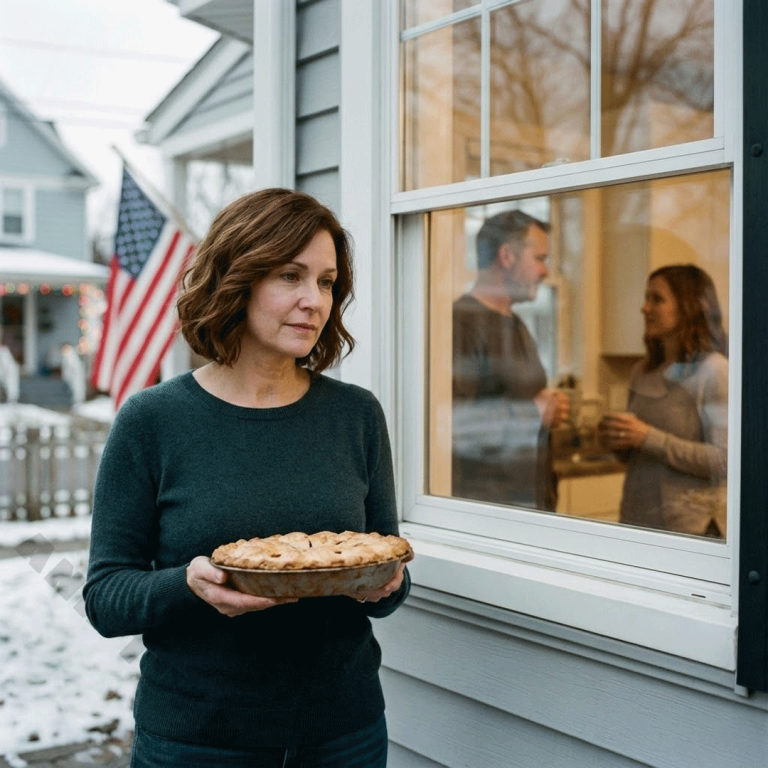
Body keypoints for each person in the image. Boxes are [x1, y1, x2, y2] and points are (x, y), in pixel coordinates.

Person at [83, 188, 410, 767]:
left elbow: (386, 574)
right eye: (291, 275)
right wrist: (189, 585)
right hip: (197, 740)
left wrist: (383, 585)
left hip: (344, 733)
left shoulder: (356, 416)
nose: (315, 300)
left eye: (328, 282)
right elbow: (106, 598)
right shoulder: (152, 421)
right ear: (238, 279)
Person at [452, 209, 569, 511]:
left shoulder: (517, 325)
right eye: (540, 258)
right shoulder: (460, 323)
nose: (545, 271)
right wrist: (533, 412)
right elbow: (451, 422)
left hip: (531, 504)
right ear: (507, 256)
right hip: (489, 510)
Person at [599, 264, 728, 537]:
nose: (645, 308)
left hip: (692, 530)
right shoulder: (641, 371)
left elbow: (725, 462)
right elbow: (640, 457)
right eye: (646, 299)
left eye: (656, 299)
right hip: (638, 522)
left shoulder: (714, 371)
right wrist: (618, 441)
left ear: (688, 307)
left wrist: (647, 438)